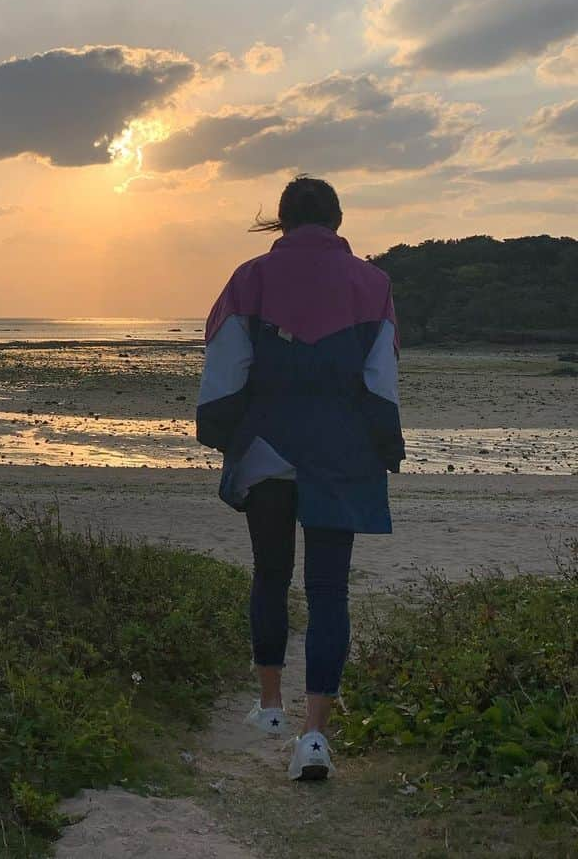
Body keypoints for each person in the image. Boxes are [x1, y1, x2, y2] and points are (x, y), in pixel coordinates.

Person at [195, 175, 404, 781]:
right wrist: (385, 445)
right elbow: (380, 379)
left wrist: (220, 431)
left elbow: (226, 367)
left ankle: (268, 708)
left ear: (281, 223)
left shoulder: (249, 278)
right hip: (341, 452)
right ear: (337, 220)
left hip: (267, 448)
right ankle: (315, 737)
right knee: (329, 590)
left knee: (270, 572)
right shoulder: (374, 283)